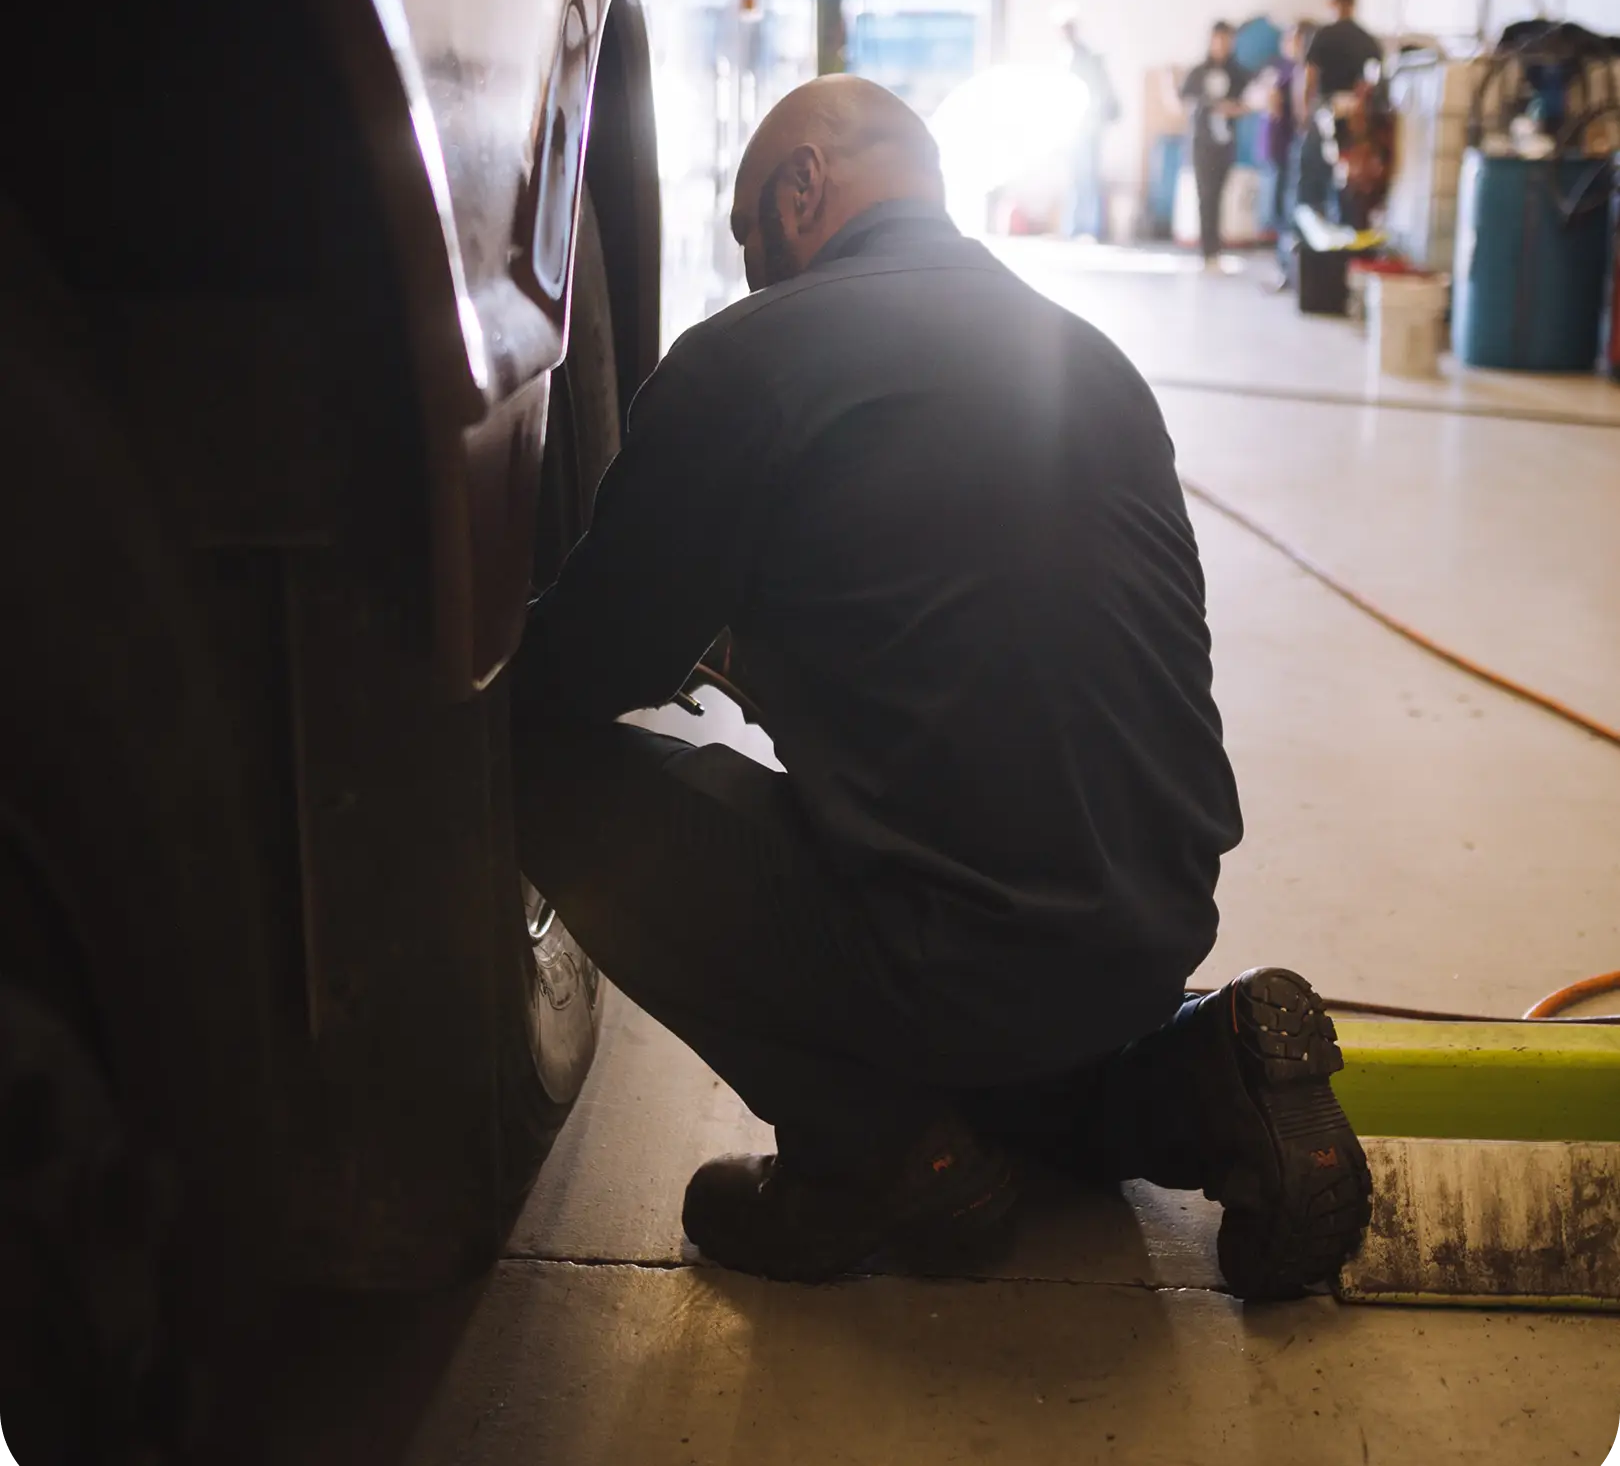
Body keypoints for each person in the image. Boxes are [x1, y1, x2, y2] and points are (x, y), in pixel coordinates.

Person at [510, 75, 1371, 1294]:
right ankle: (1207, 1068)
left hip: (952, 961)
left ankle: (868, 1156)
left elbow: (579, 666)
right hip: (1152, 928)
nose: (757, 271)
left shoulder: (750, 356)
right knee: (1007, 1024)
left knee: (537, 770)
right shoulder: (1090, 358)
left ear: (805, 186)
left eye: (754, 236)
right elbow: (1015, 635)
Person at [1301, 0, 1383, 231]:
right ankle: (1347, 228)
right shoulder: (1367, 40)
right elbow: (1371, 82)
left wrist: (1305, 113)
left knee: (1314, 174)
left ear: (1333, 2)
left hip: (1327, 110)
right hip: (1356, 115)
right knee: (1348, 176)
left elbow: (1309, 78)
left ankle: (1312, 234)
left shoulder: (1324, 35)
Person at [1180, 23, 1253, 268]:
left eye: (1226, 40)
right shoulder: (1198, 72)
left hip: (1226, 145)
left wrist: (1234, 109)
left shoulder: (1238, 73)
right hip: (1201, 144)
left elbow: (1250, 102)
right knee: (1205, 195)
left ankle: (1216, 249)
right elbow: (1184, 101)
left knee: (1219, 195)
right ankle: (1207, 251)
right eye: (1217, 40)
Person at [1264, 21, 1314, 289]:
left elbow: (1295, 114)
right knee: (1276, 213)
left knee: (1286, 214)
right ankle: (1284, 269)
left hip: (1288, 153)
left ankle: (1288, 272)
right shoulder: (1282, 69)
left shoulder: (1301, 72)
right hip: (1275, 151)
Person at [1061, 21, 1120, 240]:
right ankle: (1076, 228)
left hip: (1088, 128)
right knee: (1077, 178)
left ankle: (1089, 228)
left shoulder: (1085, 58)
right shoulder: (1068, 57)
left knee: (1087, 177)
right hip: (1077, 130)